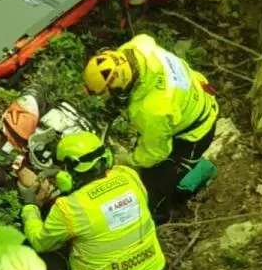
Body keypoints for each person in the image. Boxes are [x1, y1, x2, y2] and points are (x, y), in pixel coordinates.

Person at [18, 131, 165, 270]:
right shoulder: (128, 176)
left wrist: (30, 206)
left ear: (68, 173)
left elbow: (39, 242)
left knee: (32, 248)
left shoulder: (69, 208)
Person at [83, 34, 218, 220]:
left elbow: (156, 152)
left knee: (153, 188)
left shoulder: (153, 110)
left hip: (195, 133)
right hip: (191, 98)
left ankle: (160, 214)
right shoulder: (138, 47)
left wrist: (130, 162)